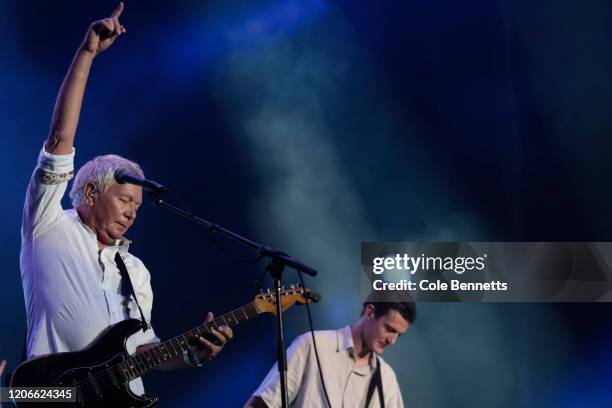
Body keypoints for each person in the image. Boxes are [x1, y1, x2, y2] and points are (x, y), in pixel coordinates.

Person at [19, 3, 232, 396]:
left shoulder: (135, 272)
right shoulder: (47, 225)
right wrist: (86, 55)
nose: (133, 211)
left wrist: (190, 356)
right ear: (90, 192)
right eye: (125, 199)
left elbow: (143, 351)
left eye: (137, 205)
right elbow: (58, 141)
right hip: (49, 395)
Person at [244, 297, 415, 408]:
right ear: (370, 312)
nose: (392, 340)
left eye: (398, 335)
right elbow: (261, 404)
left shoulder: (387, 378)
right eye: (389, 329)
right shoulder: (312, 345)